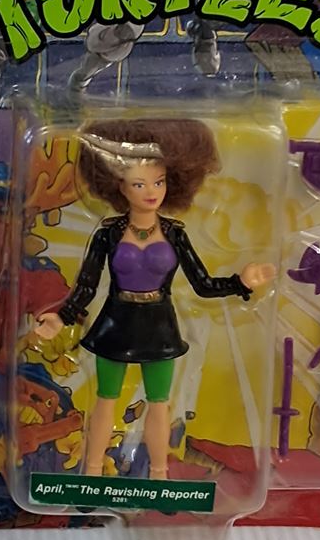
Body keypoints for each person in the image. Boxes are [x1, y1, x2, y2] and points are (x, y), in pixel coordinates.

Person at [32, 119, 272, 481]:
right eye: (139, 184)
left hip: (159, 324)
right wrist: (61, 318)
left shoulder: (175, 234)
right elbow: (86, 285)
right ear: (119, 186)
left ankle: (159, 475)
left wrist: (240, 283)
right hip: (116, 322)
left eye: (158, 182)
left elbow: (202, 284)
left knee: (160, 404)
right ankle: (92, 472)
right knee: (105, 400)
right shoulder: (108, 234)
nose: (151, 192)